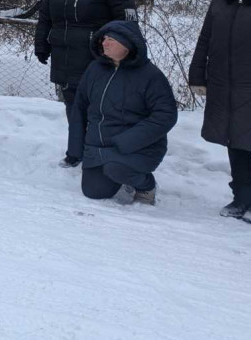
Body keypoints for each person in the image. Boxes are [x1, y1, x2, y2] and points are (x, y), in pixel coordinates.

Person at [34, 0, 136, 167]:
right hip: (64, 55)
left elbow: (127, 23)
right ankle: (75, 152)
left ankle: (100, 151)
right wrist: (41, 43)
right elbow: (45, 17)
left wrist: (119, 52)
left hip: (97, 58)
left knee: (99, 107)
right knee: (72, 106)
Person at [69, 21, 178, 204]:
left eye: (111, 39)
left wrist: (127, 141)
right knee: (93, 192)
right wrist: (76, 148)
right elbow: (79, 107)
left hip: (138, 147)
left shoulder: (150, 76)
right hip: (98, 147)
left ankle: (145, 185)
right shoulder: (94, 69)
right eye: (104, 39)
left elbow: (166, 116)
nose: (104, 43)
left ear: (128, 44)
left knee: (116, 169)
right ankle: (118, 175)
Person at [189, 0, 251, 224]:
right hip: (223, 85)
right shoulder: (221, 1)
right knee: (235, 141)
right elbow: (205, 39)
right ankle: (241, 196)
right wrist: (197, 75)